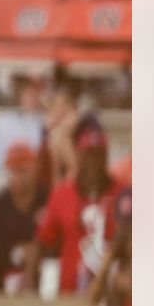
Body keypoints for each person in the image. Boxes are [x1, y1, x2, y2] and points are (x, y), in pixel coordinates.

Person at [35, 122, 122, 294]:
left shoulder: (124, 196)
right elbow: (44, 242)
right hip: (70, 293)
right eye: (88, 156)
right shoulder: (62, 194)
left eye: (98, 156)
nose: (93, 163)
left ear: (106, 158)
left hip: (113, 295)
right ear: (78, 156)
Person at [0, 143, 46, 292]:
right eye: (15, 171)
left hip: (42, 270)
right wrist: (17, 253)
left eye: (23, 170)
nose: (19, 177)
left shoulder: (46, 199)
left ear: (34, 169)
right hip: (4, 272)